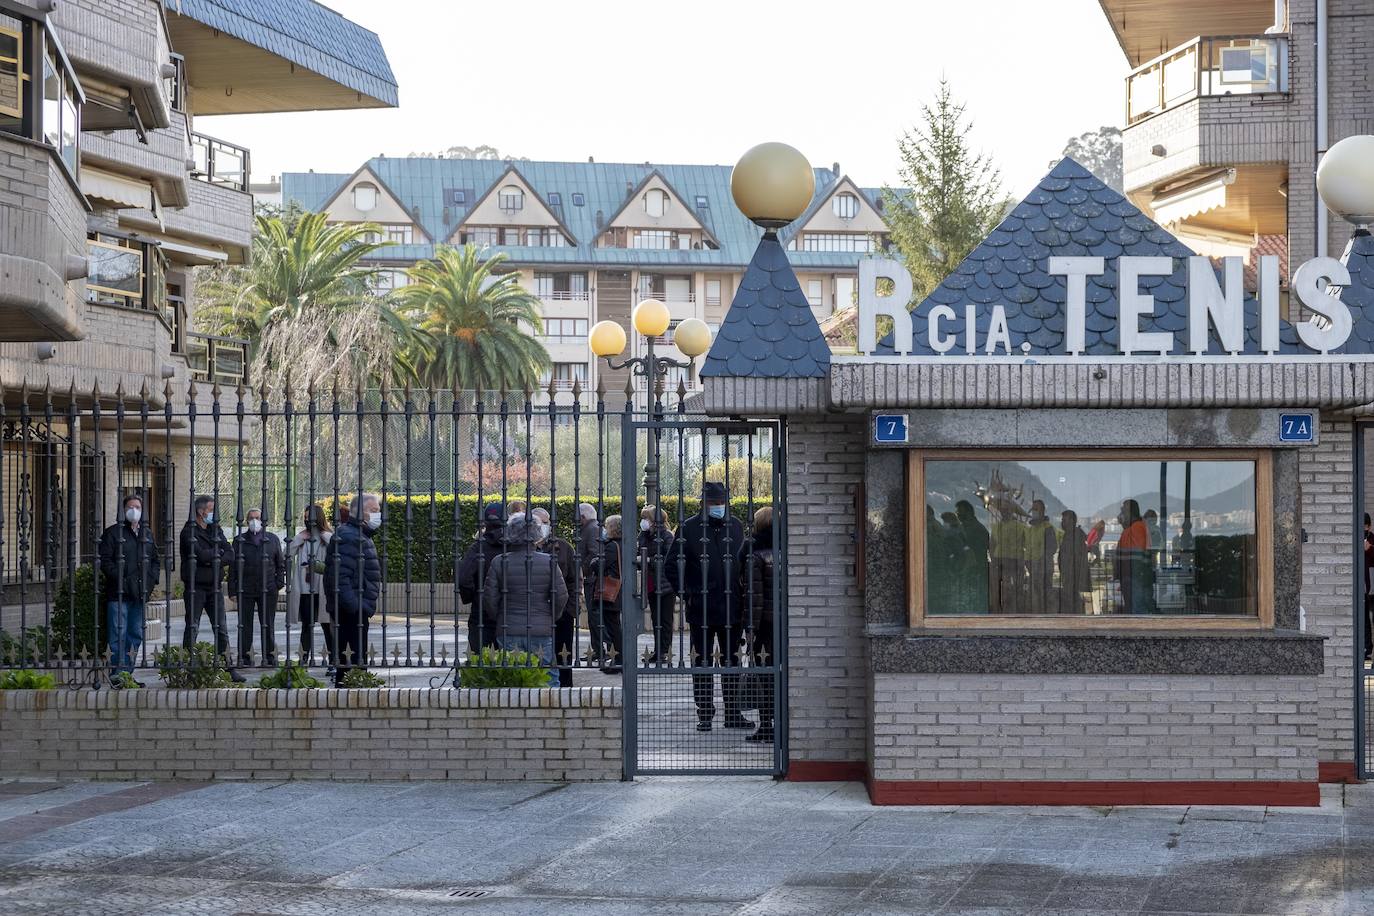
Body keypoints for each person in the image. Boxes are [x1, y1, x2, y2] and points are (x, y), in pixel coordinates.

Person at [675, 482, 747, 732]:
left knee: (731, 663)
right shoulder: (688, 528)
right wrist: (687, 591)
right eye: (712, 503)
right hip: (701, 608)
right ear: (703, 504)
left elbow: (745, 562)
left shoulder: (736, 526)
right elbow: (673, 564)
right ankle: (705, 713)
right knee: (702, 663)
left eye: (720, 503)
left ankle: (733, 713)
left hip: (731, 607)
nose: (717, 507)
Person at [482, 513, 568, 684]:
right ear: (537, 534)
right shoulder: (549, 561)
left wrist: (500, 617)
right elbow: (561, 596)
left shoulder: (499, 561)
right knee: (548, 677)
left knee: (513, 677)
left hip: (509, 627)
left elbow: (490, 598)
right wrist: (551, 617)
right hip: (541, 628)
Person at [179, 495, 243, 681]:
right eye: (211, 509)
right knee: (193, 627)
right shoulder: (189, 531)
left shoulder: (215, 529)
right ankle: (188, 668)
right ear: (201, 511)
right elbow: (200, 554)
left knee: (221, 628)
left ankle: (228, 668)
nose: (214, 514)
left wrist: (214, 558)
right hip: (195, 586)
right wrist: (216, 556)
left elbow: (230, 553)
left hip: (214, 586)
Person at [98, 494, 159, 682]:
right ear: (124, 510)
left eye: (138, 507)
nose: (135, 511)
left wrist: (150, 581)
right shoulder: (113, 533)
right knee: (118, 634)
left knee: (135, 634)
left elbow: (155, 560)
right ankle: (117, 673)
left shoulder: (146, 534)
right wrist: (121, 578)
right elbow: (105, 562)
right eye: (131, 507)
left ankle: (128, 673)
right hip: (119, 593)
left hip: (139, 594)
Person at [324, 491, 383, 686]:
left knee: (355, 661)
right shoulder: (350, 536)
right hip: (350, 611)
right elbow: (340, 578)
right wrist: (358, 607)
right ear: (359, 512)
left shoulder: (360, 535)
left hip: (355, 608)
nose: (378, 514)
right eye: (374, 510)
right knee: (350, 663)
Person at [229, 508, 285, 667]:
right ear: (247, 521)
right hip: (245, 588)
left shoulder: (272, 539)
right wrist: (233, 591)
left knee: (267, 624)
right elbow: (233, 567)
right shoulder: (239, 540)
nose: (255, 521)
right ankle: (244, 658)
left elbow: (280, 564)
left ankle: (269, 657)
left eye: (257, 517)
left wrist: (278, 583)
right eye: (251, 518)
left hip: (268, 588)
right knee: (244, 625)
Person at [739, 506, 777, 743]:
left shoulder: (753, 552)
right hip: (784, 624)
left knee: (765, 677)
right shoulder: (790, 548)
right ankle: (782, 725)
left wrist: (750, 629)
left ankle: (767, 726)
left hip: (764, 626)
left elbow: (754, 597)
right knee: (780, 675)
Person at [530, 506, 578, 685]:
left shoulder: (563, 547)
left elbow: (575, 580)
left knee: (563, 654)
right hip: (536, 612)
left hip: (562, 612)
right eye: (538, 523)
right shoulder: (522, 548)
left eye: (545, 522)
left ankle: (565, 690)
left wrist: (571, 609)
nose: (542, 526)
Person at [286, 504, 333, 664]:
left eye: (310, 518)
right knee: (307, 625)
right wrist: (299, 538)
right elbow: (287, 553)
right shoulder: (302, 538)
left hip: (323, 588)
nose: (307, 521)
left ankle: (334, 660)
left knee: (327, 625)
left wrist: (324, 535)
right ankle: (303, 658)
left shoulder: (328, 537)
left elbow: (337, 550)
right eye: (305, 518)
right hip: (305, 589)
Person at [458, 503, 506, 654]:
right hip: (508, 610)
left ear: (485, 522)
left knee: (480, 661)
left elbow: (464, 579)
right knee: (511, 663)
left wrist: (474, 596)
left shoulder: (478, 547)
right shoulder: (513, 546)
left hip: (481, 611)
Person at [585, 515, 625, 674]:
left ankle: (618, 660)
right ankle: (619, 658)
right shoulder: (623, 544)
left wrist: (594, 561)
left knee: (613, 627)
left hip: (611, 592)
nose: (604, 530)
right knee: (615, 626)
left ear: (613, 529)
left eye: (607, 526)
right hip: (620, 590)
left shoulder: (612, 546)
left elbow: (599, 565)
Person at [637, 506, 677, 663]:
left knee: (665, 619)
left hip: (665, 584)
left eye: (646, 518)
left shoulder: (667, 536)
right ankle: (658, 649)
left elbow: (669, 558)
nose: (643, 522)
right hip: (652, 583)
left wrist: (648, 560)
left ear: (654, 520)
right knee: (656, 618)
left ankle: (664, 651)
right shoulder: (644, 535)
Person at [1114, 499, 1155, 614]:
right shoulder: (1133, 529)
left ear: (1130, 513)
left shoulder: (1136, 529)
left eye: (1123, 511)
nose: (1120, 514)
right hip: (1134, 580)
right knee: (1136, 610)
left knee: (1138, 612)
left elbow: (1134, 559)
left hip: (1135, 580)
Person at [576, 503, 605, 662]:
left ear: (583, 517)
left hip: (592, 579)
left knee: (595, 617)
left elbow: (594, 553)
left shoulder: (591, 528)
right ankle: (598, 649)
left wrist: (583, 570)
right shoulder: (592, 527)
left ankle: (600, 649)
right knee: (594, 617)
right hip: (592, 578)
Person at [953, 500, 990, 613]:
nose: (958, 514)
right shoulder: (964, 527)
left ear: (968, 512)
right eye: (957, 512)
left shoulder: (976, 529)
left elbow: (977, 551)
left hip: (974, 570)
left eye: (960, 512)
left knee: (974, 602)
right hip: (966, 569)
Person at [1025, 499, 1058, 614]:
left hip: (1044, 569)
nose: (1034, 511)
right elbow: (1028, 547)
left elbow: (1052, 547)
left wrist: (1041, 561)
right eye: (1032, 509)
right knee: (1034, 595)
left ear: (1043, 511)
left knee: (1045, 595)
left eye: (1036, 509)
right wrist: (1027, 562)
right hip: (1032, 568)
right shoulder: (1030, 529)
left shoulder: (1048, 528)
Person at [1057, 510, 1091, 615]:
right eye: (1062, 520)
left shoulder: (1076, 535)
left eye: (1064, 520)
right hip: (1069, 576)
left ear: (1072, 521)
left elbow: (1076, 558)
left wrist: (1071, 575)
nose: (1062, 522)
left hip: (1073, 577)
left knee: (1073, 601)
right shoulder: (1069, 535)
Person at [1364, 513, 1373, 663]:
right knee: (1364, 618)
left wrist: (1369, 549)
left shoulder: (1372, 539)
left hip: (1371, 586)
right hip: (1362, 587)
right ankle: (1365, 648)